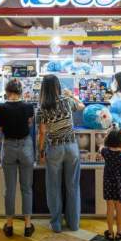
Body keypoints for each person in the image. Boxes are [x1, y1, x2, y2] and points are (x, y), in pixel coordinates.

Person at [37, 74, 85, 232]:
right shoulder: (66, 101)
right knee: (73, 186)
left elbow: (42, 132)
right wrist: (72, 95)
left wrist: (41, 152)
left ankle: (56, 224)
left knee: (53, 187)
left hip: (54, 148)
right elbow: (82, 106)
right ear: (58, 86)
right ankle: (74, 223)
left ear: (44, 88)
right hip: (72, 147)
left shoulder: (42, 107)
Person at [0, 79, 36, 238]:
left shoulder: (0, 107)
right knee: (27, 188)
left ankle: (9, 225)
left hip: (9, 147)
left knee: (9, 189)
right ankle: (27, 225)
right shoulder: (28, 107)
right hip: (25, 146)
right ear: (20, 92)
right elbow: (30, 124)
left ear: (7, 91)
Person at [101, 129, 121, 241]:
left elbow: (101, 147)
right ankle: (119, 233)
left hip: (108, 185)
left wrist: (107, 135)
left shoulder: (105, 152)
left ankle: (110, 233)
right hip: (119, 186)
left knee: (109, 209)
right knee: (119, 209)